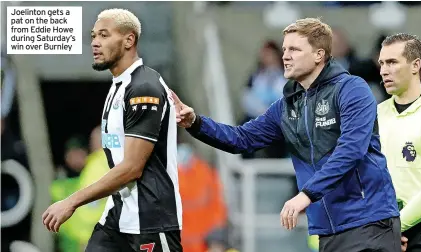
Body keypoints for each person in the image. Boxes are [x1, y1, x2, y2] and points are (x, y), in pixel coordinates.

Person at [172, 18, 401, 251]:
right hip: (328, 231)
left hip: (369, 221)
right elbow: (241, 138)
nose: (285, 56)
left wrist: (306, 194)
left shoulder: (352, 89)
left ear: (318, 55)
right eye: (284, 49)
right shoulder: (286, 107)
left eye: (294, 49)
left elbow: (351, 149)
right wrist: (196, 122)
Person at [42, 8, 183, 252]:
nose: (95, 43)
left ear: (129, 40)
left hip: (150, 219)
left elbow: (131, 167)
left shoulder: (144, 87)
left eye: (104, 35)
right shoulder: (117, 87)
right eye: (93, 36)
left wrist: (71, 202)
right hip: (118, 215)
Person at [378, 33, 421, 252]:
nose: (383, 70)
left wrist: (397, 225)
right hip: (383, 230)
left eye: (392, 62)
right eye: (381, 63)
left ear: (416, 65)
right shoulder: (375, 114)